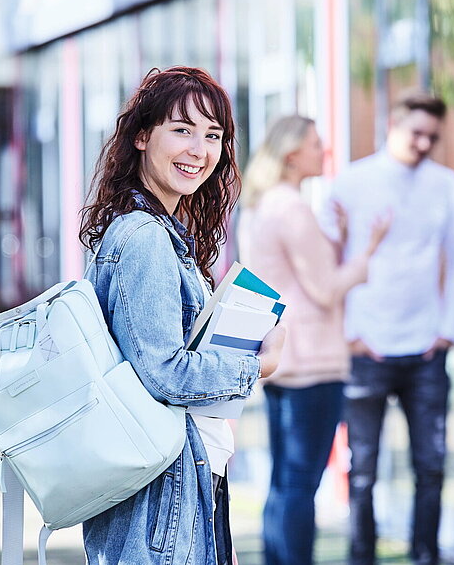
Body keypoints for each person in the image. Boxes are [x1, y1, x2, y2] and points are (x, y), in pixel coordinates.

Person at [78, 65, 285, 565]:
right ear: (142, 137)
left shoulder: (161, 233)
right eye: (182, 130)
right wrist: (258, 365)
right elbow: (163, 372)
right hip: (162, 501)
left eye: (212, 135)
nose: (200, 150)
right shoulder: (146, 237)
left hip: (179, 485)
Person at [324, 92, 454, 565]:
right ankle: (361, 557)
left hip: (427, 351)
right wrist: (347, 332)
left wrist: (449, 331)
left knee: (430, 467)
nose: (425, 142)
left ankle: (425, 555)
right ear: (393, 123)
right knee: (362, 469)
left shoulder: (446, 184)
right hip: (365, 349)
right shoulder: (352, 181)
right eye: (417, 132)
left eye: (433, 136)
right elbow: (323, 258)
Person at [238, 115, 390, 565]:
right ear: (291, 154)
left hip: (284, 359)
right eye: (316, 144)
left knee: (285, 482)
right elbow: (325, 288)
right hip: (314, 362)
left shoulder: (264, 206)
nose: (323, 151)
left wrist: (338, 241)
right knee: (302, 485)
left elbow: (302, 278)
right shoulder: (292, 208)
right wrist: (366, 254)